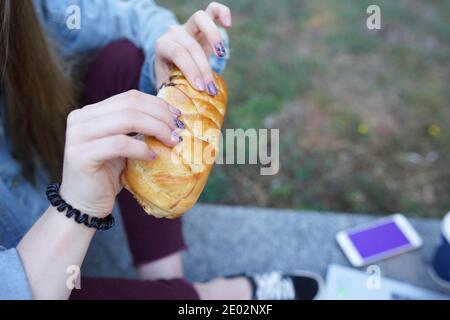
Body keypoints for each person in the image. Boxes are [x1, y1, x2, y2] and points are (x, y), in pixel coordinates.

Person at [0, 0, 323, 300]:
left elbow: (127, 15)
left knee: (123, 59)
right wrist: (76, 207)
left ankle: (163, 278)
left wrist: (176, 51)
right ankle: (208, 295)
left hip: (57, 181)